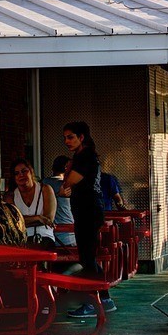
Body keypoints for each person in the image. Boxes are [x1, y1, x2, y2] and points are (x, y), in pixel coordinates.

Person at [61, 121, 114, 315]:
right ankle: (105, 299)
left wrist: (67, 172)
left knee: (88, 258)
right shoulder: (82, 156)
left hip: (88, 211)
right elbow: (65, 190)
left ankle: (93, 302)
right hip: (86, 211)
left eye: (70, 137)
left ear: (81, 137)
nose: (66, 141)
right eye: (65, 137)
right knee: (88, 258)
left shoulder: (85, 156)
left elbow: (68, 183)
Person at [10, 159, 56, 246]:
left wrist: (23, 221)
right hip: (21, 239)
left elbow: (49, 219)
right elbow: (13, 222)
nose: (21, 175)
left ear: (31, 171)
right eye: (17, 173)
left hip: (45, 237)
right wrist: (38, 218)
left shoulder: (45, 189)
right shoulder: (11, 196)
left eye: (24, 171)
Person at [42, 155, 75, 247]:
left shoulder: (43, 184)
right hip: (68, 235)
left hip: (47, 235)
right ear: (66, 168)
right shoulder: (67, 186)